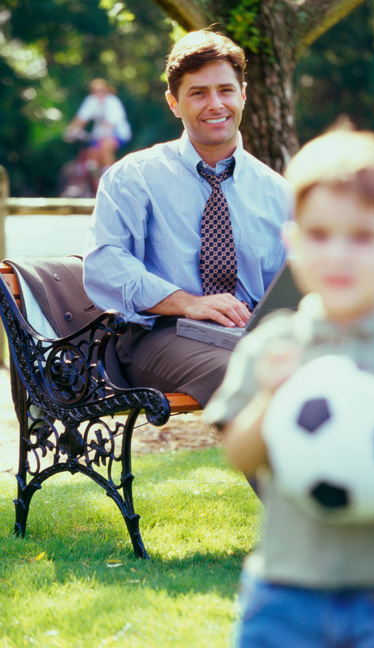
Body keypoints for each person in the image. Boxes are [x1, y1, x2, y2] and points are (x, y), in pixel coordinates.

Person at [205, 129, 374, 647]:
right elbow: (238, 454)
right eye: (320, 235)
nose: (338, 255)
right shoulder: (274, 345)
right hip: (286, 591)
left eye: (362, 237)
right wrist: (269, 399)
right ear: (293, 245)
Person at [83, 30, 294, 407]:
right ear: (174, 102)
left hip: (250, 335)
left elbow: (293, 282)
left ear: (243, 94)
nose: (216, 104)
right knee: (247, 373)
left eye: (225, 90)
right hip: (158, 335)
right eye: (198, 93)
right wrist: (187, 302)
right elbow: (105, 264)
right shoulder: (134, 177)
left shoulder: (278, 192)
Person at [65, 78, 131, 175]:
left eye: (101, 90)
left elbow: (110, 125)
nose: (99, 93)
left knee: (105, 147)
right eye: (96, 91)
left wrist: (101, 136)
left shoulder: (112, 102)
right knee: (91, 157)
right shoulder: (91, 101)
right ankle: (95, 184)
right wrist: (70, 131)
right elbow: (81, 118)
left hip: (118, 134)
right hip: (99, 134)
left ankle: (112, 175)